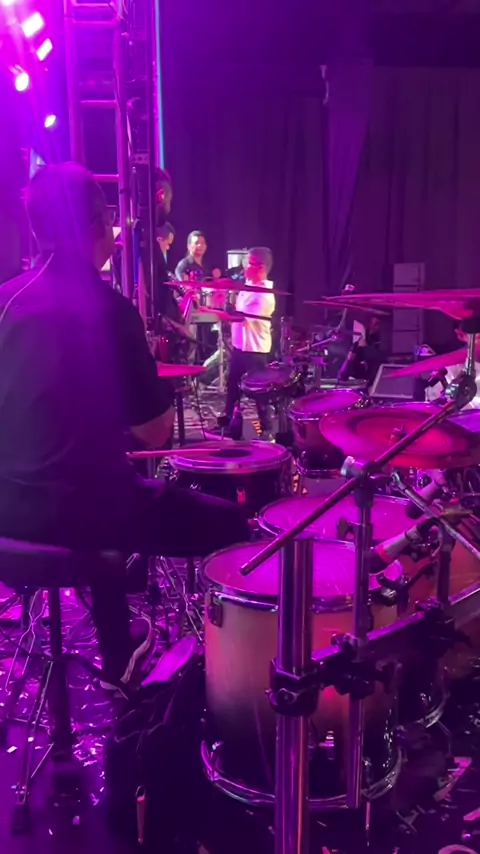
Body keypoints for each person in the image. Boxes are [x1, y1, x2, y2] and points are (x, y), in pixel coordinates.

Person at [0, 162, 250, 690]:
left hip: (8, 511)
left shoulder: (7, 300)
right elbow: (154, 434)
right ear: (97, 227)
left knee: (97, 489)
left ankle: (119, 651)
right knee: (231, 524)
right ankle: (226, 680)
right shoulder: (109, 309)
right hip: (82, 514)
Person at [210, 247, 275, 441]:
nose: (244, 267)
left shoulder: (264, 294)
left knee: (258, 392)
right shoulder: (248, 286)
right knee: (233, 386)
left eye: (249, 263)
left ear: (261, 267)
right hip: (240, 346)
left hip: (254, 349)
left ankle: (267, 430)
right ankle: (230, 423)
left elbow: (239, 318)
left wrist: (214, 312)